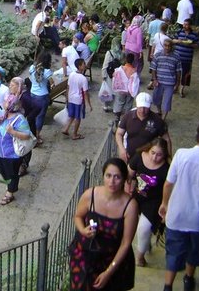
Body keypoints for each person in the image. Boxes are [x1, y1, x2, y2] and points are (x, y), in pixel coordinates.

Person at [159, 120, 199, 291]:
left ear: (197, 134)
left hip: (177, 213)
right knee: (194, 251)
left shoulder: (181, 155)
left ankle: (168, 285)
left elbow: (168, 184)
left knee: (173, 251)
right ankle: (189, 279)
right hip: (198, 218)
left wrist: (165, 204)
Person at [69, 158, 138, 290]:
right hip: (85, 254)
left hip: (112, 259)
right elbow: (78, 216)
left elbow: (126, 243)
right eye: (108, 176)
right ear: (103, 176)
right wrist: (83, 230)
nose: (112, 181)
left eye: (117, 177)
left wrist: (108, 272)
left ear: (124, 179)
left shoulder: (130, 206)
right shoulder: (90, 195)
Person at [127, 138, 170, 267]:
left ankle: (139, 257)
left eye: (159, 154)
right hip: (137, 196)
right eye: (153, 153)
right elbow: (129, 172)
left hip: (154, 201)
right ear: (148, 149)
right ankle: (144, 244)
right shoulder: (139, 157)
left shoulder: (166, 168)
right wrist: (127, 187)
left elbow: (169, 188)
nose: (155, 157)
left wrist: (165, 205)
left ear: (164, 155)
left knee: (144, 228)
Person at [0, 96, 33, 205]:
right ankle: (9, 183)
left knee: (12, 173)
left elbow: (27, 135)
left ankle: (10, 193)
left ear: (12, 105)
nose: (4, 102)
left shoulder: (20, 119)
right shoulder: (1, 113)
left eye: (6, 101)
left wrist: (13, 132)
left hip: (12, 154)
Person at [115, 92, 171, 163]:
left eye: (145, 107)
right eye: (140, 107)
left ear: (150, 106)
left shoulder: (157, 120)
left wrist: (168, 157)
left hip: (149, 158)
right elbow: (119, 133)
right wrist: (121, 149)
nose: (142, 110)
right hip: (129, 155)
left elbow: (167, 139)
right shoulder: (128, 116)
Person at [151, 39, 182, 121]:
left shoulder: (176, 56)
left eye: (169, 46)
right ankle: (159, 111)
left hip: (170, 83)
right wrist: (154, 79)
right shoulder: (157, 55)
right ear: (163, 45)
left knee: (167, 102)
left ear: (172, 46)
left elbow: (178, 71)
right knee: (156, 98)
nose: (167, 47)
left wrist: (178, 83)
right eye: (165, 45)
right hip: (159, 81)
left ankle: (163, 119)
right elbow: (153, 69)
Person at [62, 58, 93, 140]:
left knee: (71, 115)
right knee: (78, 117)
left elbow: (68, 87)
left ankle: (66, 128)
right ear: (79, 66)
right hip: (78, 100)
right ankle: (75, 134)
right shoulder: (83, 79)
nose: (85, 65)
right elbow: (86, 93)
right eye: (83, 64)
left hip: (71, 98)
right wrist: (89, 104)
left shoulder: (72, 74)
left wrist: (67, 98)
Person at [29, 51, 54, 146]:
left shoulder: (32, 68)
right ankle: (37, 136)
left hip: (32, 94)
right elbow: (52, 83)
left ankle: (32, 134)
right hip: (42, 96)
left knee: (33, 115)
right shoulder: (47, 72)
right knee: (40, 117)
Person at [173, 19, 199, 98]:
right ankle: (176, 87)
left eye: (186, 25)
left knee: (185, 74)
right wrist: (179, 41)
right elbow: (172, 40)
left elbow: (197, 45)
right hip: (177, 57)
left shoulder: (194, 35)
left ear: (190, 25)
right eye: (184, 24)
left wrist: (190, 44)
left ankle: (181, 89)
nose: (184, 26)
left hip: (187, 58)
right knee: (176, 73)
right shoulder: (179, 32)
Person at [111, 53, 139, 126]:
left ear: (125, 60)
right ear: (133, 61)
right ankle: (125, 120)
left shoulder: (120, 69)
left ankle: (117, 118)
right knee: (128, 105)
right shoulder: (134, 71)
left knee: (119, 103)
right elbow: (135, 82)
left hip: (121, 90)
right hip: (129, 91)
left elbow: (114, 75)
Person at [101, 37, 122, 112]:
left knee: (107, 91)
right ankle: (114, 107)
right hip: (117, 75)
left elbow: (105, 65)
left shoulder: (109, 53)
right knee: (115, 92)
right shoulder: (120, 53)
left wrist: (103, 76)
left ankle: (106, 106)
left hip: (109, 74)